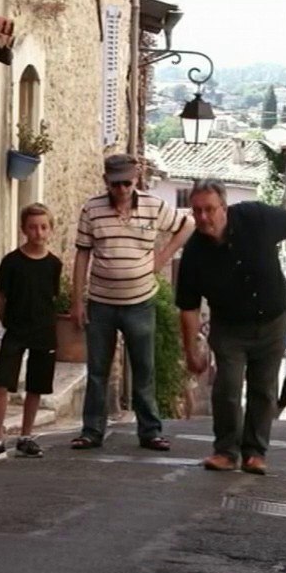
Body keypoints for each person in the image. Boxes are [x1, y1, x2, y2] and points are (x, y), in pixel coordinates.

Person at [178, 179, 286, 474]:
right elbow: (188, 307)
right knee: (228, 388)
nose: (204, 217)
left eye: (209, 209)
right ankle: (225, 452)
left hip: (272, 322)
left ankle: (255, 453)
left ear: (224, 207)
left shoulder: (255, 218)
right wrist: (191, 351)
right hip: (229, 328)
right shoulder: (194, 252)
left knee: (264, 389)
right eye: (197, 211)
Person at [69, 154, 194, 452]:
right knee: (98, 369)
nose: (122, 189)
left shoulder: (153, 206)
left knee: (144, 369)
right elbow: (82, 254)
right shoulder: (92, 208)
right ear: (106, 182)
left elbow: (187, 225)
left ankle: (150, 431)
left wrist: (162, 258)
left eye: (127, 183)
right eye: (116, 184)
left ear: (135, 180)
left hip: (140, 301)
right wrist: (77, 301)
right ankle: (92, 431)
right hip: (100, 302)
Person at [0, 203, 64, 457]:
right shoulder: (11, 262)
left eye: (43, 227)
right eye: (32, 227)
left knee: (36, 385)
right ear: (23, 229)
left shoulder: (54, 264)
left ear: (50, 230)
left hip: (43, 330)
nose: (38, 233)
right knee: (2, 382)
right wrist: (7, 322)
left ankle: (26, 435)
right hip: (16, 329)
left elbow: (52, 296)